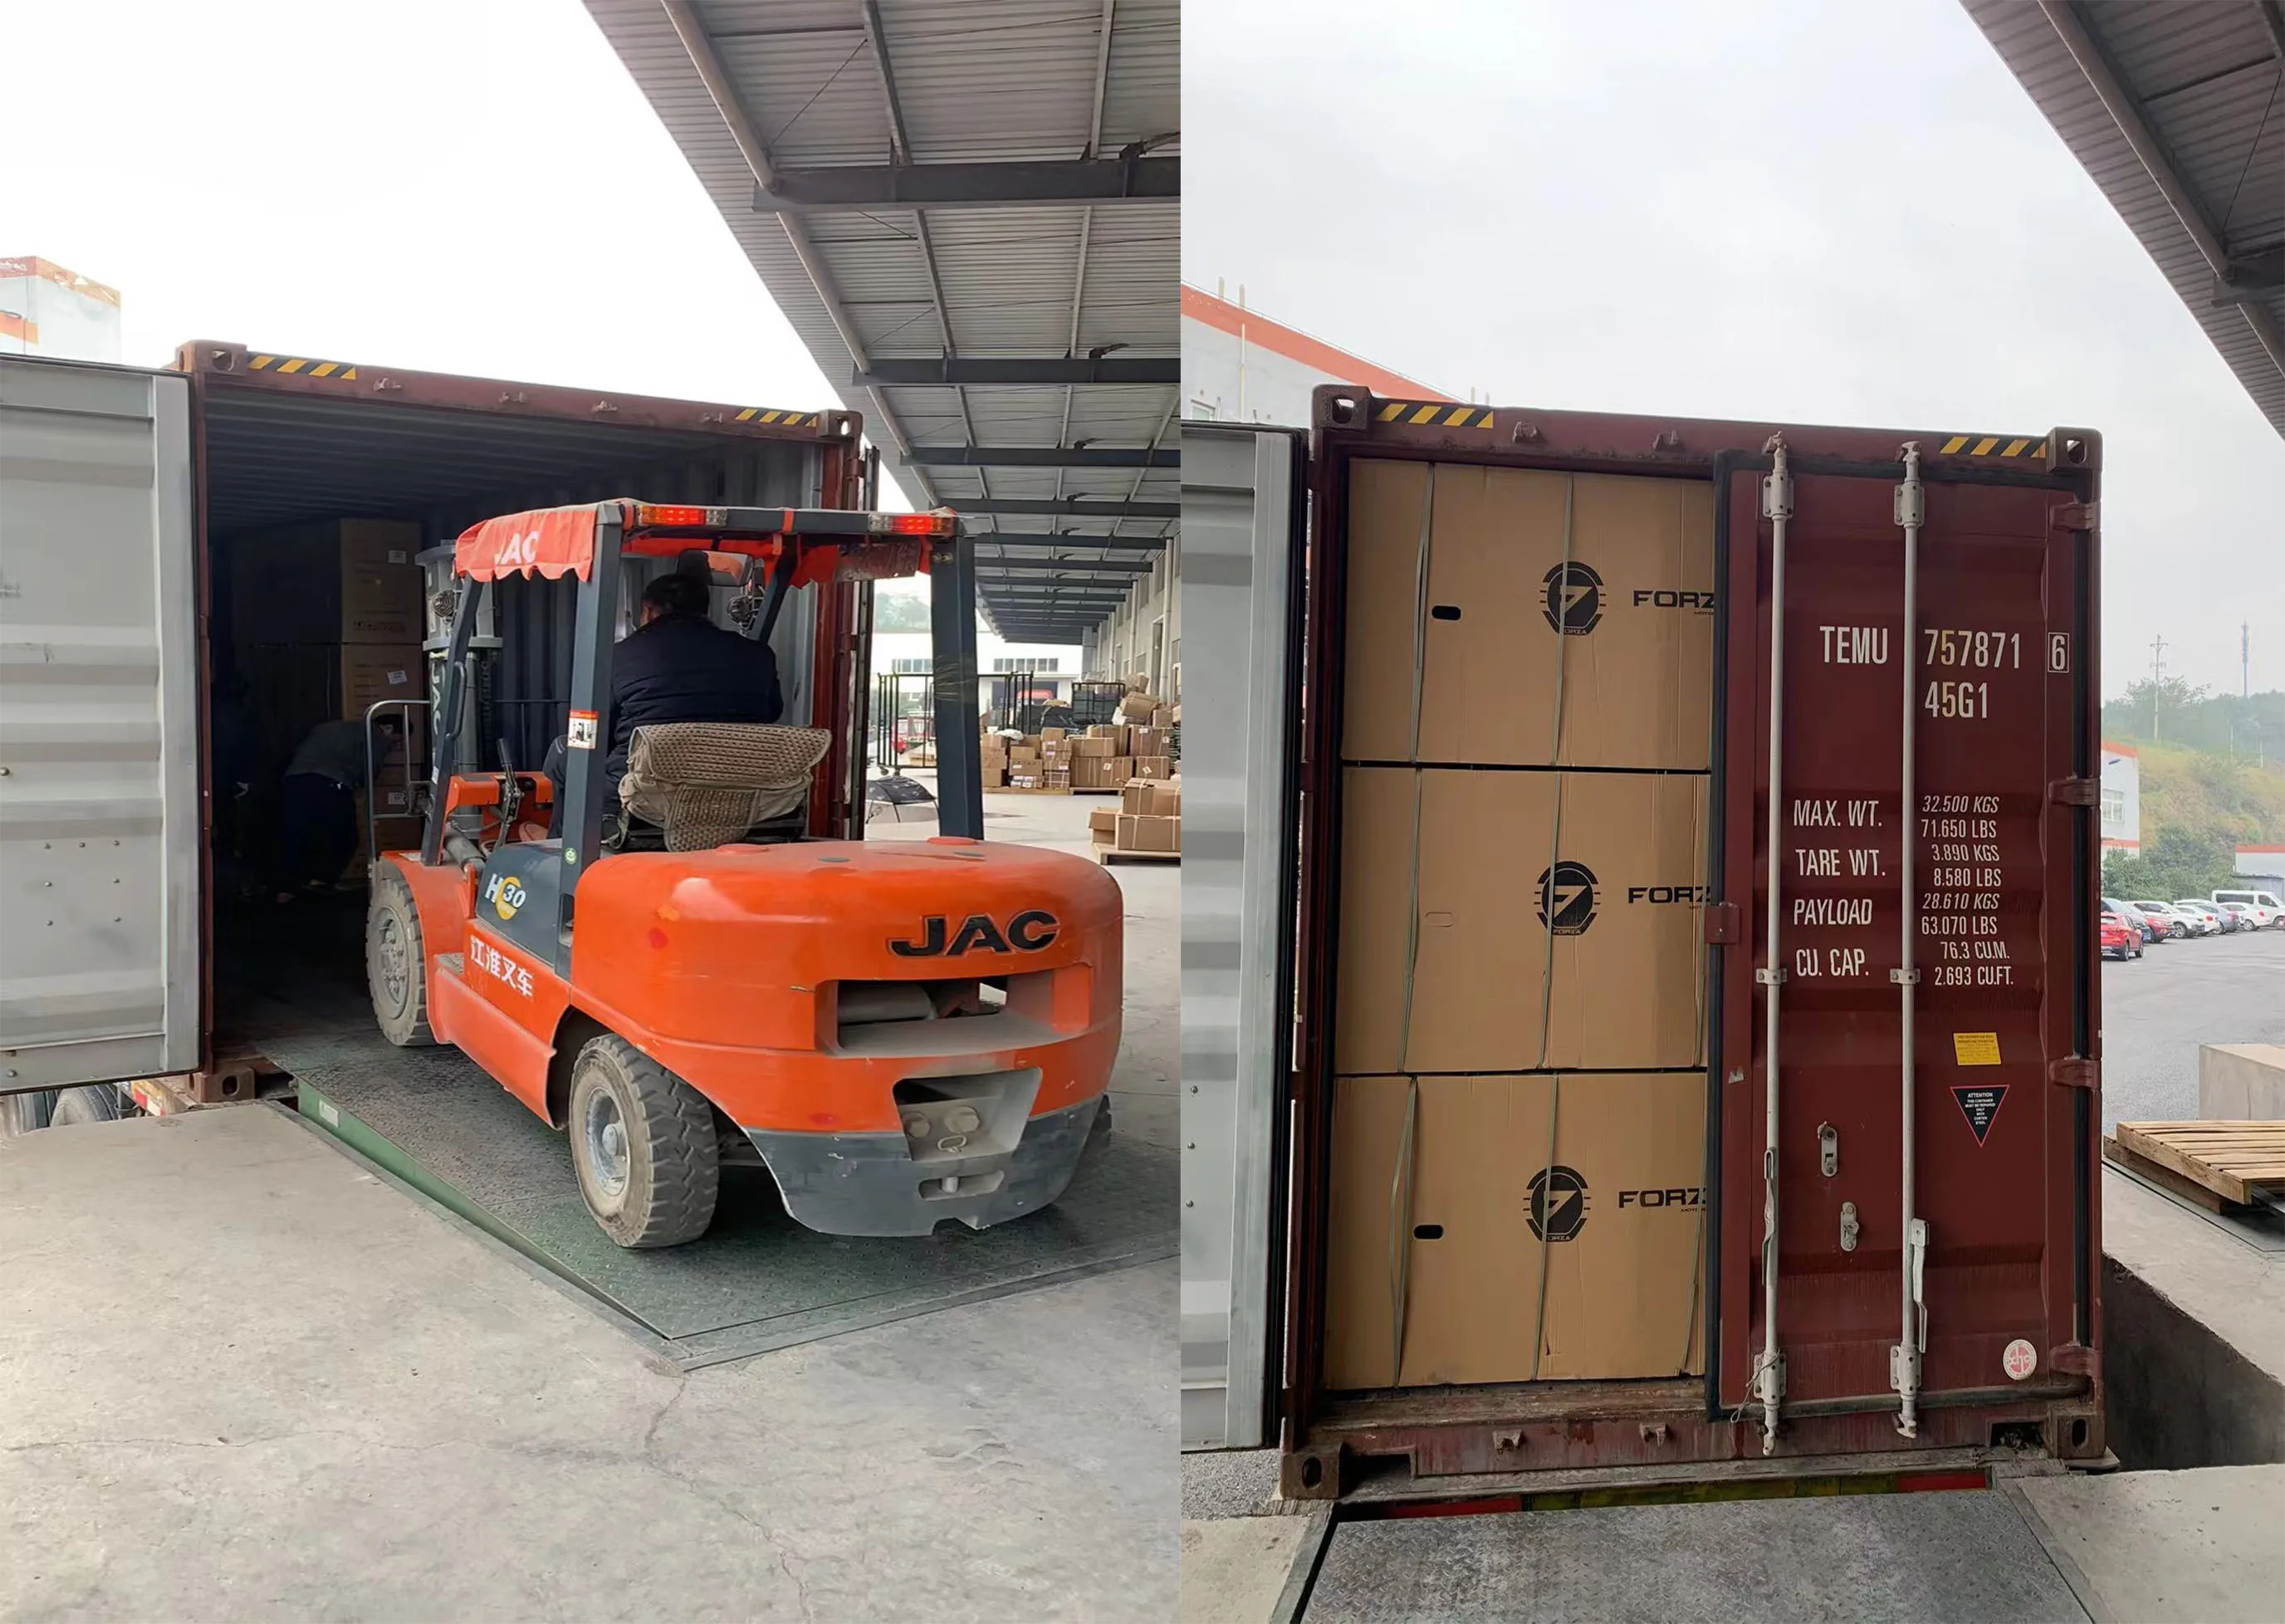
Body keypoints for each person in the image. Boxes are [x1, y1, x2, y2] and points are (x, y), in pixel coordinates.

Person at [547, 570, 784, 834]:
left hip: (642, 792)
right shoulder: (758, 654)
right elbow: (772, 712)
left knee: (562, 755)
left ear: (648, 612)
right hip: (740, 789)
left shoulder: (616, 656)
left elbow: (597, 735)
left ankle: (564, 847)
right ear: (704, 611)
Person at [276, 714, 400, 903]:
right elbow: (370, 771)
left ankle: (286, 889)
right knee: (346, 837)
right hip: (331, 784)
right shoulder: (374, 735)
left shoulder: (326, 727)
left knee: (296, 834)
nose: (396, 746)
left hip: (295, 780)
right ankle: (321, 882)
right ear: (388, 728)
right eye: (396, 740)